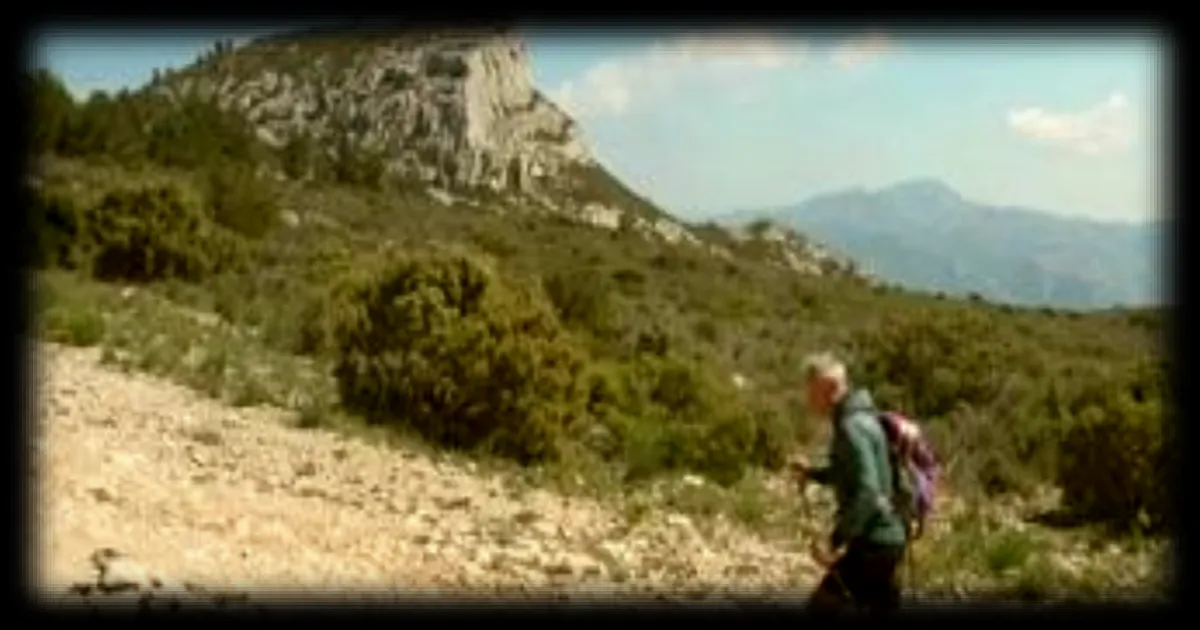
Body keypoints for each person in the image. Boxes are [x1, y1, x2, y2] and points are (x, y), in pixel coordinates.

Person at [790, 352, 908, 615]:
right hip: (888, 540)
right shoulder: (864, 418)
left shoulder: (851, 427)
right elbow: (848, 472)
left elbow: (868, 489)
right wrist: (812, 473)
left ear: (829, 389)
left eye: (812, 392)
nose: (808, 400)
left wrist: (835, 540)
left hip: (873, 544)